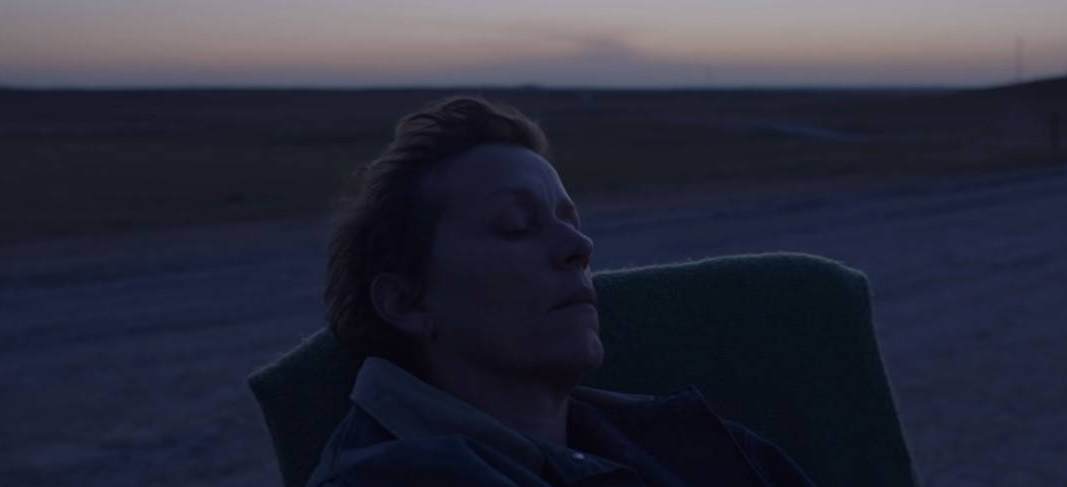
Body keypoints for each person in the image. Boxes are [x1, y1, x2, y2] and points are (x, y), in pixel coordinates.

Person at [308, 96, 817, 487]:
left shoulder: (691, 438)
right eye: (515, 225)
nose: (580, 246)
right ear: (407, 302)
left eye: (570, 222)